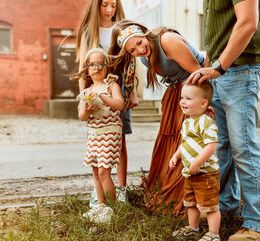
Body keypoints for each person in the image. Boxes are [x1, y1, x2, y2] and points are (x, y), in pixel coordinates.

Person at [188, 0, 260, 241]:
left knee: (243, 147)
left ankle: (257, 222)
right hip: (220, 72)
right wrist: (209, 69)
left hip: (240, 70)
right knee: (220, 146)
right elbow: (218, 34)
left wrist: (219, 67)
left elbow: (247, 23)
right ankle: (226, 208)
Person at [109, 19, 206, 214]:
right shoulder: (145, 58)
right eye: (132, 51)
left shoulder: (167, 40)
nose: (139, 50)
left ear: (144, 34)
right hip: (179, 91)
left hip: (197, 88)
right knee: (169, 143)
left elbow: (199, 72)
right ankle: (170, 198)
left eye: (138, 42)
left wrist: (198, 108)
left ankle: (191, 200)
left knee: (188, 142)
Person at [74, 0, 138, 207]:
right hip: (95, 91)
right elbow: (83, 65)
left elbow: (130, 62)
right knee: (96, 139)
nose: (109, 10)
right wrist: (82, 98)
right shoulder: (87, 32)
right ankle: (100, 189)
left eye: (113, 5)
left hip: (117, 89)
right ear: (96, 6)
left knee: (120, 140)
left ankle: (121, 188)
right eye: (105, 5)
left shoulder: (121, 29)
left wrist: (133, 92)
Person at [71, 48, 125, 223]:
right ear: (87, 69)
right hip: (94, 133)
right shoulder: (86, 92)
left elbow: (120, 104)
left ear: (107, 67)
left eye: (101, 63)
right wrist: (86, 109)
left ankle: (112, 209)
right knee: (95, 171)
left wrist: (103, 97)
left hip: (110, 131)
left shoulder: (112, 86)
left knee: (104, 171)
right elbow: (81, 117)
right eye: (92, 64)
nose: (97, 67)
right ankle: (100, 206)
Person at [169, 81, 221, 241]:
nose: (182, 101)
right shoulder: (187, 122)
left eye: (188, 98)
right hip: (190, 172)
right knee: (190, 202)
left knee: (210, 205)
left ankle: (214, 234)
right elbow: (185, 143)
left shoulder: (207, 123)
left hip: (206, 173)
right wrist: (176, 155)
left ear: (203, 103)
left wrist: (197, 163)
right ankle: (193, 228)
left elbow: (211, 146)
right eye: (182, 97)